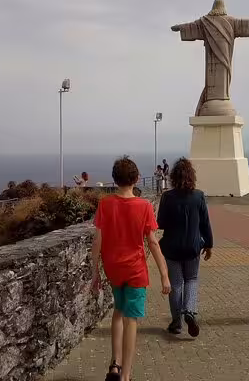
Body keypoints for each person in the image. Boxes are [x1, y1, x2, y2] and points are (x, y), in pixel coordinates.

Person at [91, 156, 171, 381]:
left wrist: (95, 272)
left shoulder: (105, 205)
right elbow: (153, 242)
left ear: (115, 179)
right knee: (131, 320)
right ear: (136, 179)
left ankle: (114, 365)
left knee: (118, 310)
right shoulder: (144, 206)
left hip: (113, 268)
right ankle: (126, 375)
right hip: (135, 270)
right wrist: (164, 275)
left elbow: (97, 241)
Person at [157, 158, 213, 337]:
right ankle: (189, 310)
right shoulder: (199, 196)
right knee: (192, 279)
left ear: (173, 176)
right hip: (193, 247)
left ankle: (176, 322)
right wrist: (209, 244)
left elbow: (161, 223)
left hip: (171, 247)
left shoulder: (167, 197)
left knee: (176, 283)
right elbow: (205, 223)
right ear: (191, 176)